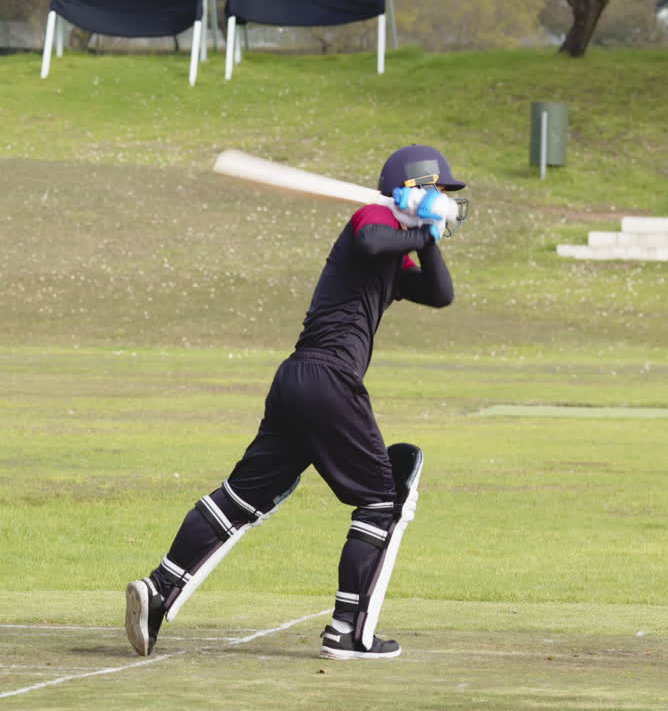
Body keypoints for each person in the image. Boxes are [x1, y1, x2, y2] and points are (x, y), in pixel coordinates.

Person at [124, 145, 468, 660]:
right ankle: (349, 633)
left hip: (298, 382)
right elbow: (374, 238)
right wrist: (419, 226)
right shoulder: (371, 216)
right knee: (384, 498)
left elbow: (441, 294)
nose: (445, 200)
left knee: (240, 500)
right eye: (438, 191)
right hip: (329, 378)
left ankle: (159, 591)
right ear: (415, 187)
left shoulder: (397, 251)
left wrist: (429, 234)